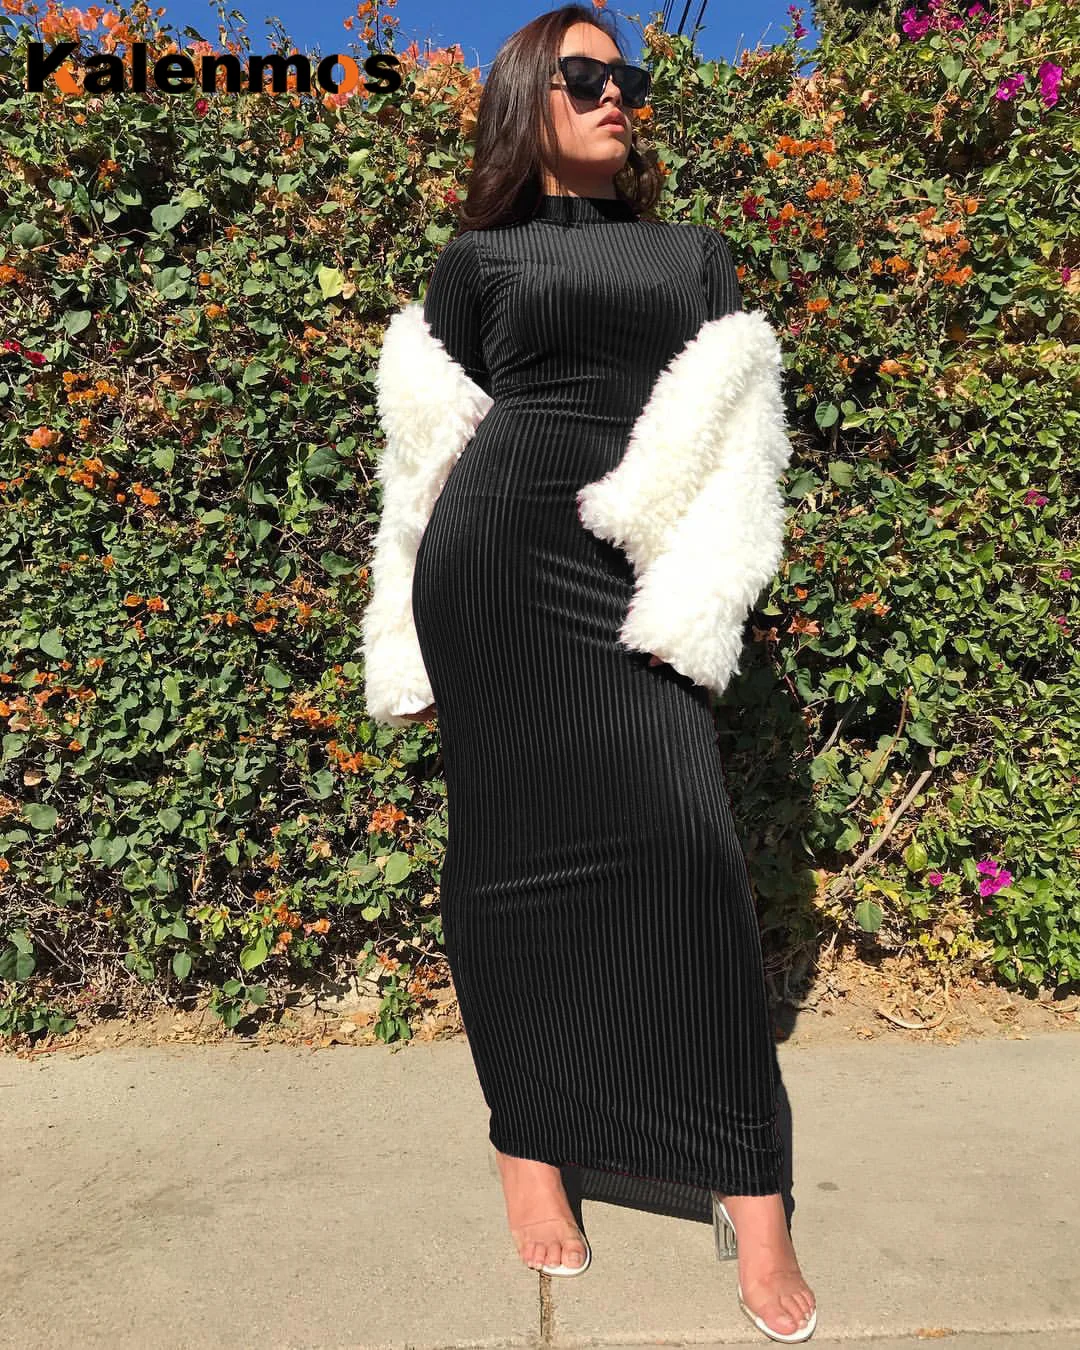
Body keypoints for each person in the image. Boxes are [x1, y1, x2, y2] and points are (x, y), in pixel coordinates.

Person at [361, 5, 817, 1341]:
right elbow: (424, 453)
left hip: (634, 568)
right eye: (584, 75)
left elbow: (744, 442)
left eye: (629, 77)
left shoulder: (690, 254)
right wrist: (404, 626)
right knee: (506, 862)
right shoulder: (477, 260)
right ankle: (531, 1141)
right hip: (496, 565)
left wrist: (705, 588)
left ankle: (753, 1186)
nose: (617, 93)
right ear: (529, 97)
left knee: (692, 854)